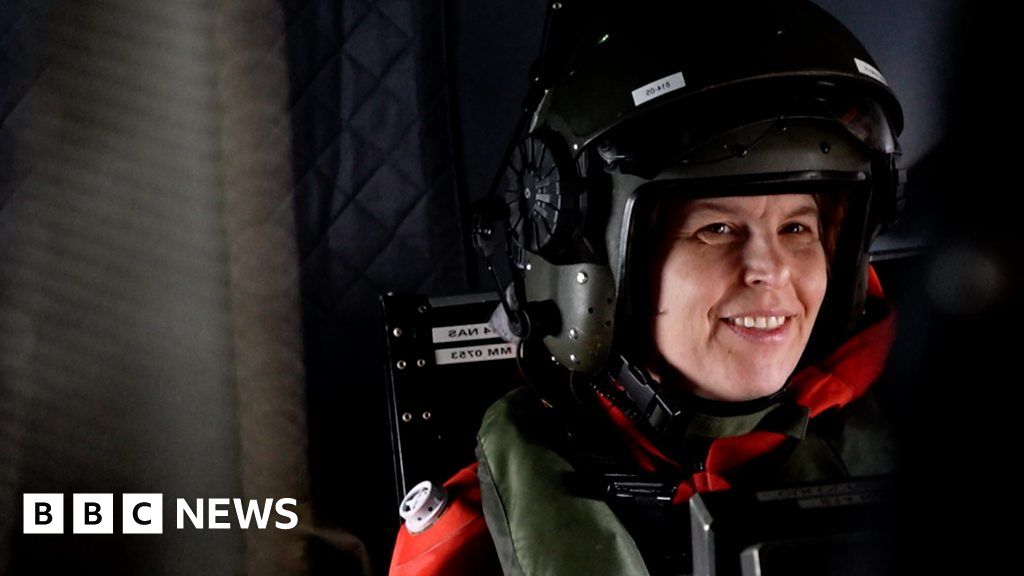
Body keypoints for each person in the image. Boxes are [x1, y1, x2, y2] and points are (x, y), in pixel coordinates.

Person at [390, 1, 904, 574]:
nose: (771, 269)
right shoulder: (473, 544)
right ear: (601, 266)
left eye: (797, 227)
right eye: (717, 228)